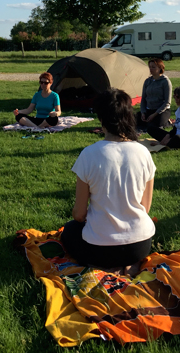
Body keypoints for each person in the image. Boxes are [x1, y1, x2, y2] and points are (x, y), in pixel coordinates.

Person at [61, 88, 156, 274]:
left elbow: (79, 214)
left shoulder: (89, 154)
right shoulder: (144, 153)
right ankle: (130, 264)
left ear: (102, 120)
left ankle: (105, 266)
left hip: (100, 249)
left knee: (70, 231)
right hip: (140, 245)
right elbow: (145, 207)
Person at [137, 59, 172, 134]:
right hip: (149, 109)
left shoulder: (165, 81)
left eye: (153, 67)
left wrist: (154, 114)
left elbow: (167, 102)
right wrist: (143, 113)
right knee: (135, 120)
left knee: (154, 124)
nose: (151, 69)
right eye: (150, 67)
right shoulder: (147, 81)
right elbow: (143, 99)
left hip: (161, 111)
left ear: (160, 68)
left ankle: (167, 122)